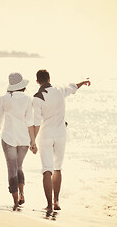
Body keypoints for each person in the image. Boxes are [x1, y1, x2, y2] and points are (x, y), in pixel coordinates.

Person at [33, 69, 90, 213]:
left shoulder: (37, 97)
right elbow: (73, 87)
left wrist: (32, 141)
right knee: (57, 168)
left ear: (37, 81)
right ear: (49, 78)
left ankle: (49, 205)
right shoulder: (59, 90)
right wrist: (83, 82)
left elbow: (36, 122)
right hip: (60, 134)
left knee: (47, 169)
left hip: (45, 135)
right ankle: (56, 200)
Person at [0, 72, 38, 211]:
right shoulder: (27, 99)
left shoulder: (3, 99)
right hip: (24, 139)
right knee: (19, 167)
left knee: (11, 169)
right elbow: (30, 122)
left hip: (8, 138)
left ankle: (15, 201)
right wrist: (33, 142)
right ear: (22, 86)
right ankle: (22, 193)